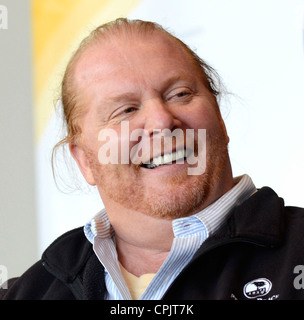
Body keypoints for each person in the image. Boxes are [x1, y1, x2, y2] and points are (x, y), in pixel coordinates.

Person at [1, 18, 304, 300]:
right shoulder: (27, 293)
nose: (161, 121)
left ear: (220, 120)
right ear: (85, 161)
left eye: (180, 94)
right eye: (126, 110)